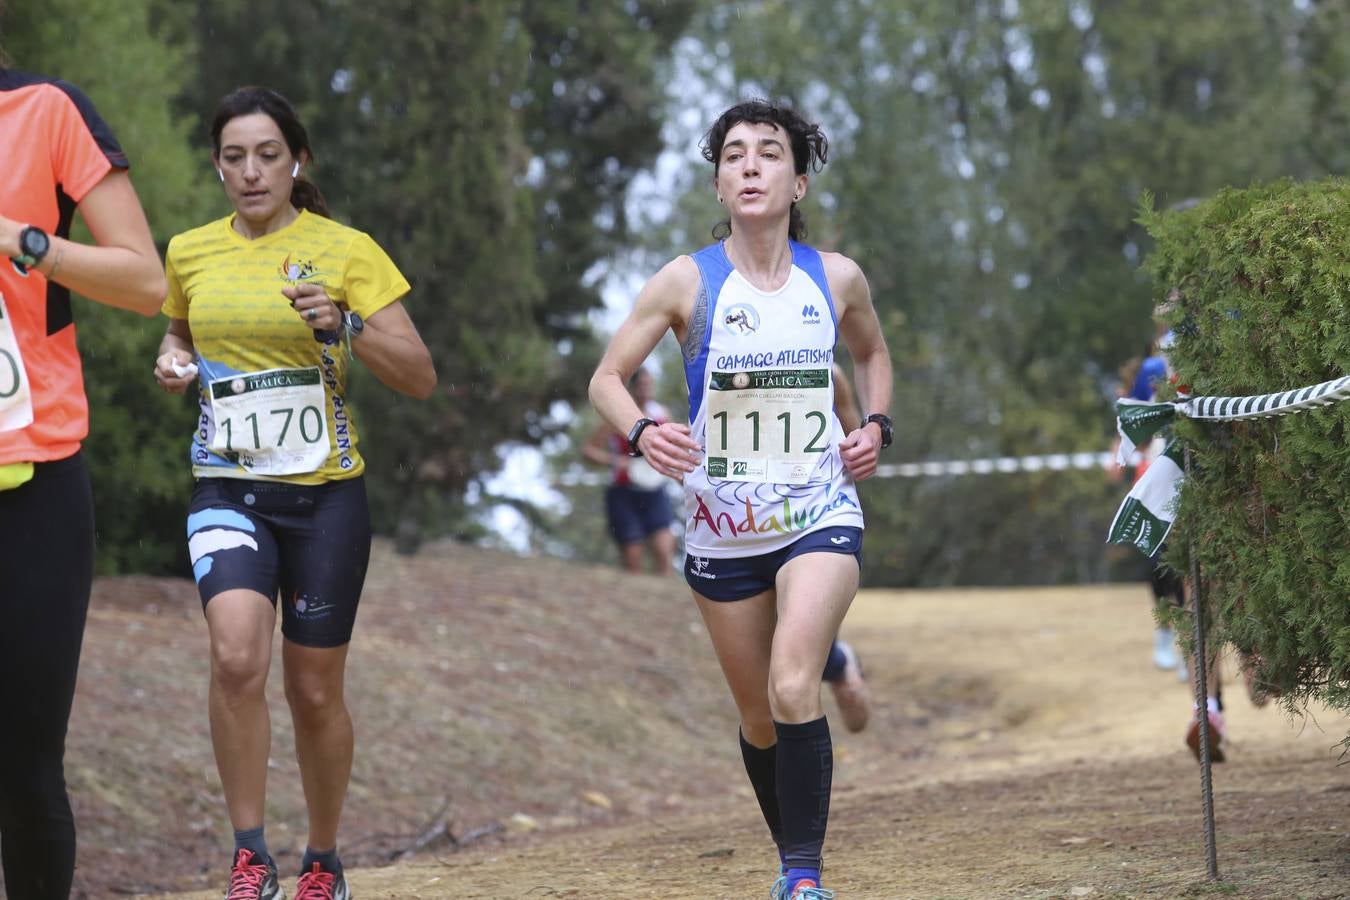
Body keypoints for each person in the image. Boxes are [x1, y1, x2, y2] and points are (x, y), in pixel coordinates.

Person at [589, 99, 893, 900]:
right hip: (722, 531)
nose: (749, 165)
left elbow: (872, 352)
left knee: (794, 685)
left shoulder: (835, 277)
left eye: (768, 153)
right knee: (761, 717)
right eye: (733, 155)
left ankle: (803, 877)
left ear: (797, 180)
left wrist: (877, 427)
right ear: (720, 182)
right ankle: (791, 852)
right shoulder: (688, 281)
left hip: (819, 511)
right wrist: (642, 436)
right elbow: (606, 380)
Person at [152, 86, 436, 900]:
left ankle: (323, 858)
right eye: (234, 158)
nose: (251, 172)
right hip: (227, 488)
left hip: (325, 501)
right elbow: (178, 332)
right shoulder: (191, 251)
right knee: (236, 655)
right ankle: (249, 855)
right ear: (216, 167)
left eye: (267, 155)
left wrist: (342, 324)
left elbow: (418, 376)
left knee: (314, 690)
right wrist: (171, 362)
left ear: (296, 161)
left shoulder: (345, 249)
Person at [0, 19, 167, 899]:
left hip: (34, 479)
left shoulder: (46, 110)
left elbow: (146, 284)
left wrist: (20, 240)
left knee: (25, 770)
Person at [581, 366, 678, 573]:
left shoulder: (661, 414)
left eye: (649, 384)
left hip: (654, 490)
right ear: (632, 388)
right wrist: (616, 461)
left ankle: (662, 600)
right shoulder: (617, 416)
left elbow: (672, 447)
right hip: (623, 491)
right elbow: (589, 451)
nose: (646, 389)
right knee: (632, 557)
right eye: (642, 385)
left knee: (664, 549)